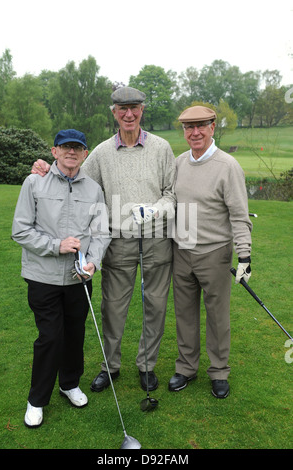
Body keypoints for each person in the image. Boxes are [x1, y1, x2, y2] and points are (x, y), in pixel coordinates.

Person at [31, 87, 176, 393]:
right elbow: (74, 176)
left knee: (156, 306)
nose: (129, 114)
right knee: (113, 308)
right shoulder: (100, 153)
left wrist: (153, 210)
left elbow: (171, 194)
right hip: (118, 242)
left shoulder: (162, 148)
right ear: (114, 112)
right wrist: (47, 167)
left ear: (142, 110)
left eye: (134, 107)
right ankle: (110, 366)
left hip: (156, 241)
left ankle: (147, 366)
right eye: (122, 108)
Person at [12, 129, 111, 428]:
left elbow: (101, 232)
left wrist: (93, 263)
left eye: (77, 148)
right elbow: (21, 230)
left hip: (79, 278)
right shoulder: (34, 182)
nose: (71, 152)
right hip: (42, 278)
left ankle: (69, 384)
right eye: (65, 147)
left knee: (74, 335)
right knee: (50, 337)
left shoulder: (93, 189)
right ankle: (37, 399)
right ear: (54, 152)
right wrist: (56, 246)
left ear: (84, 153)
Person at [169, 106, 252, 398]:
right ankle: (186, 368)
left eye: (201, 126)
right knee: (184, 315)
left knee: (217, 317)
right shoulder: (179, 163)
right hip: (181, 251)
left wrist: (244, 256)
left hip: (215, 253)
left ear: (213, 127)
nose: (195, 133)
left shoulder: (227, 166)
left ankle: (218, 371)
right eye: (189, 128)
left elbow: (240, 216)